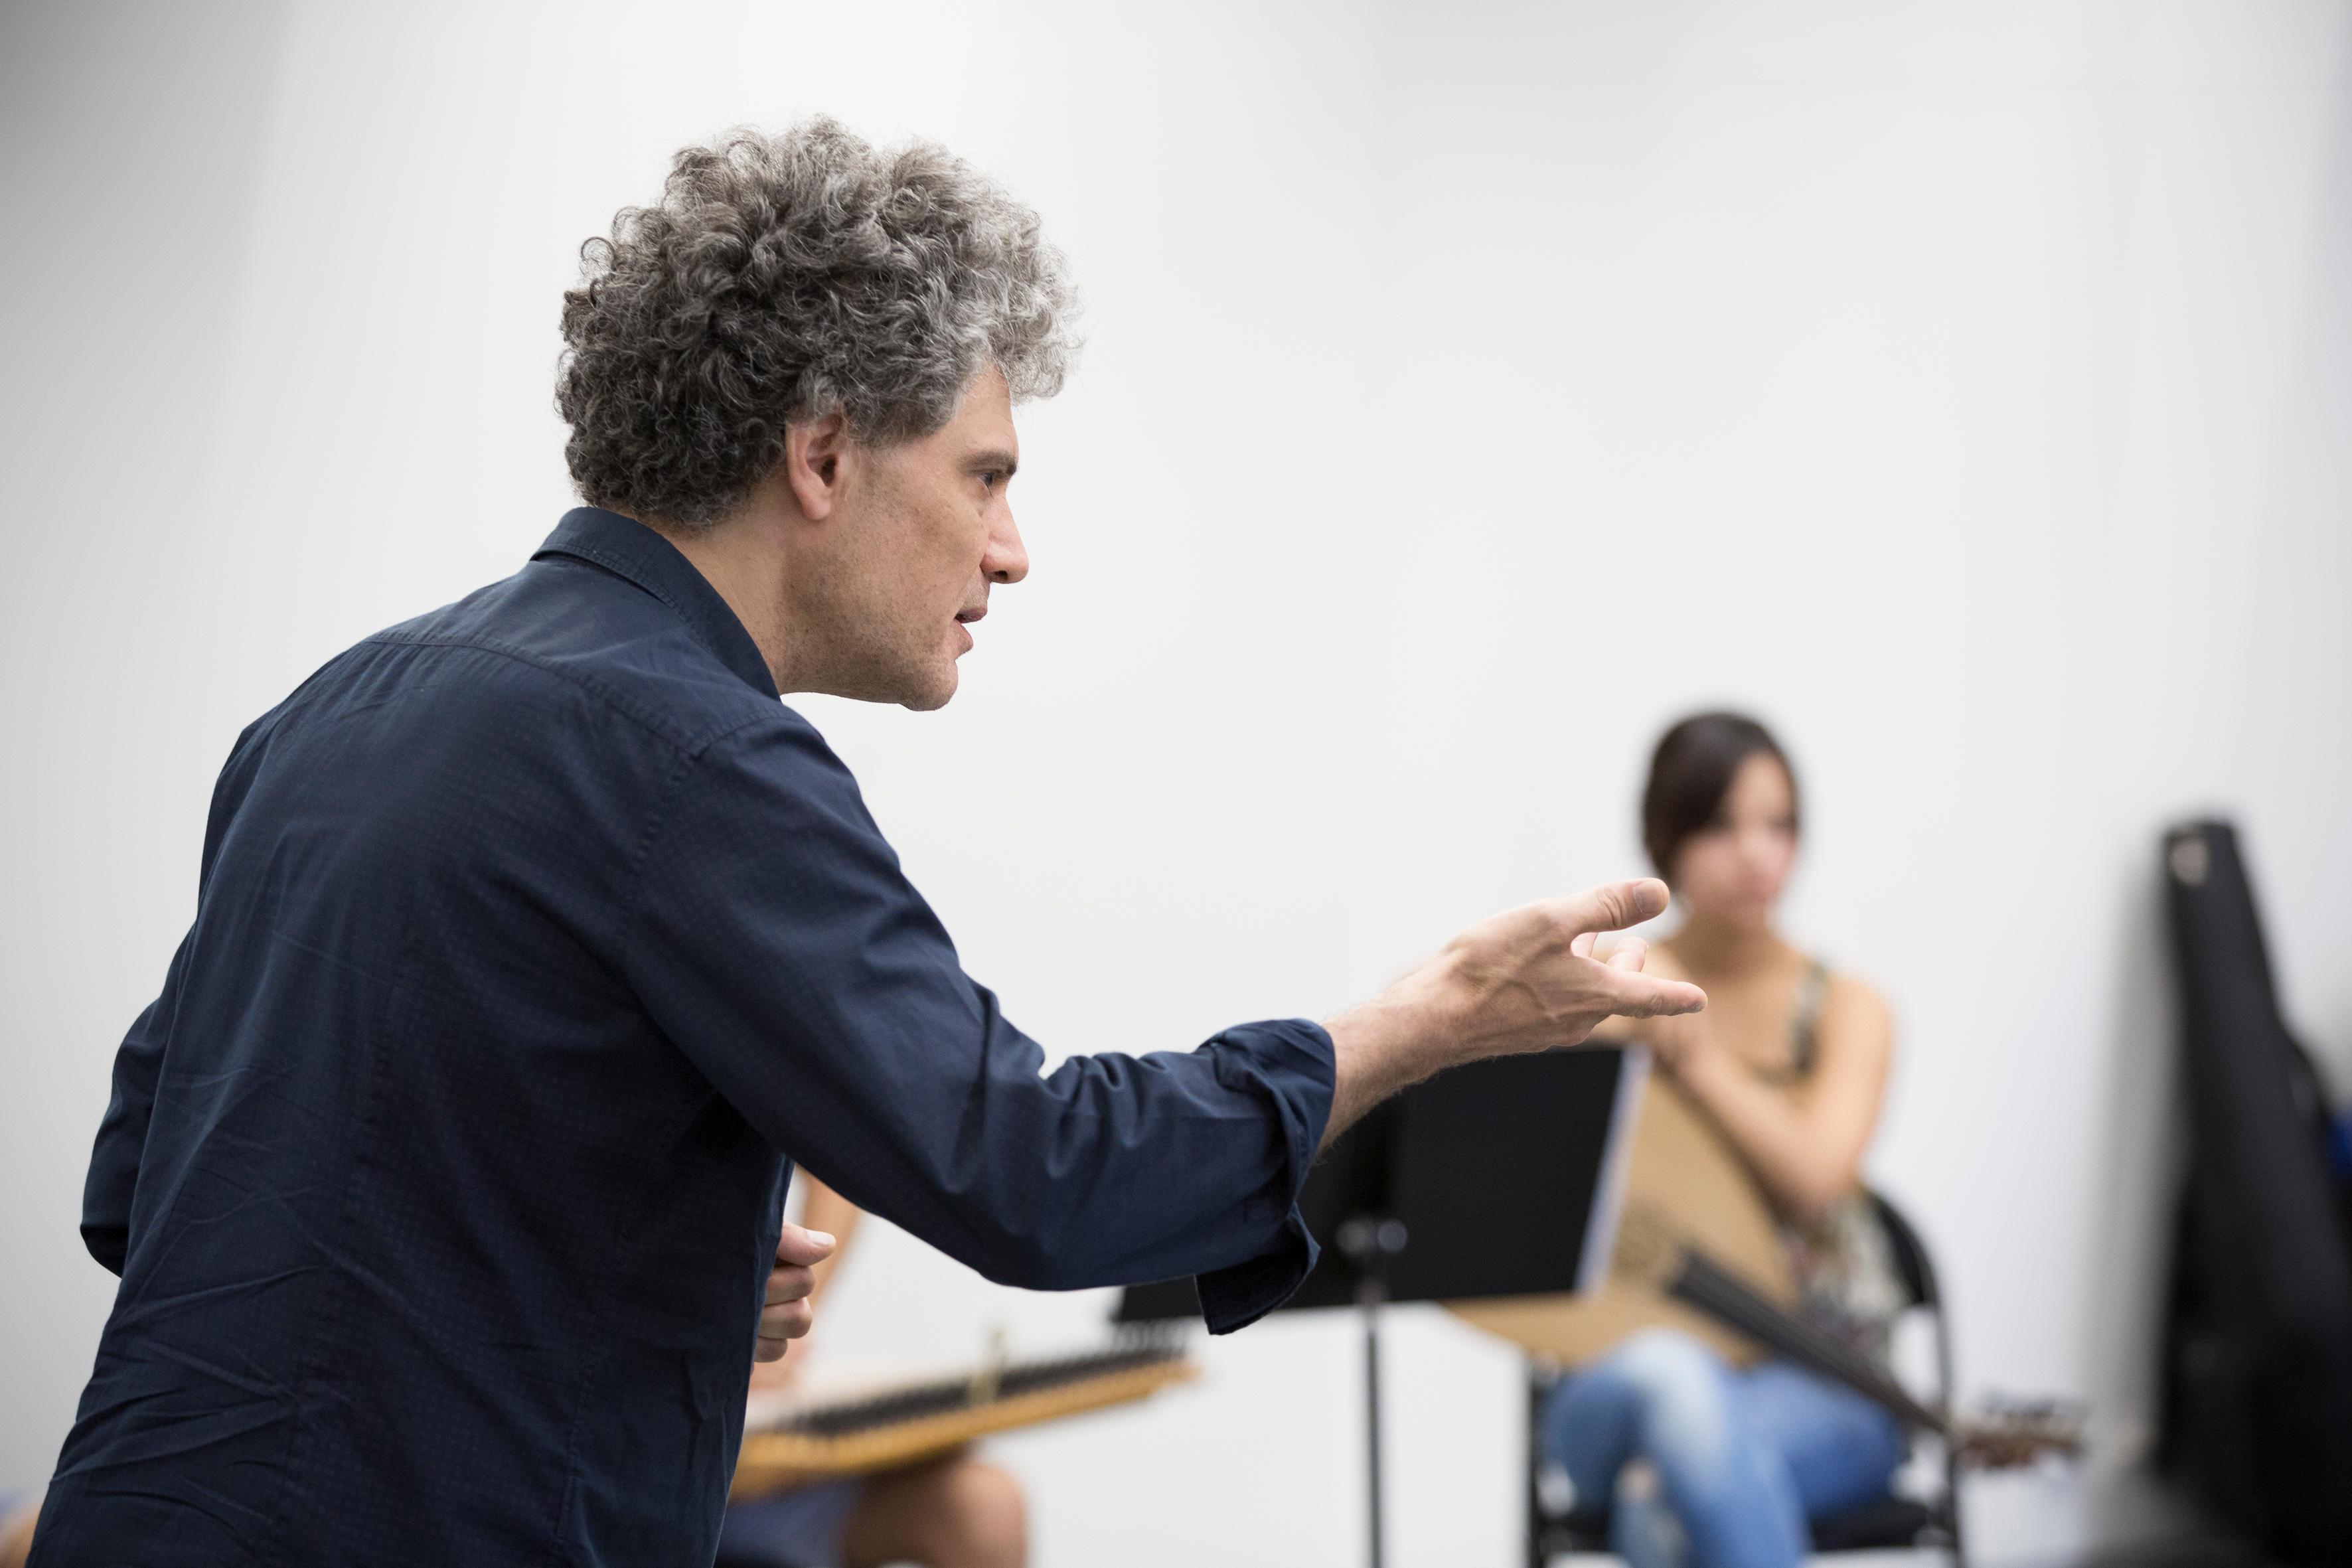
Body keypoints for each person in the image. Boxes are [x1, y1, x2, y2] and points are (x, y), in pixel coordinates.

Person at [28, 119, 1702, 1567]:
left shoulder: (328, 711)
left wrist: (614, 1259)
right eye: (984, 475)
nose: (1013, 546)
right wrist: (1416, 1024)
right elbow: (1038, 1175)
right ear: (823, 453)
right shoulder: (700, 759)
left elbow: (149, 1189)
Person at [1537, 712, 1907, 1568]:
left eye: (1779, 825)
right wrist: (1596, 1016)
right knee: (1671, 1371)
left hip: (1830, 1383)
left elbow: (1816, 1180)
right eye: (1720, 825)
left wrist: (1700, 1062)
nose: (1756, 854)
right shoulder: (1617, 984)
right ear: (1665, 839)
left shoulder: (1851, 1007)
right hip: (1616, 1381)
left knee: (1665, 1505)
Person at [718, 1174, 1026, 1568]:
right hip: (649, 1466)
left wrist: (787, 1330)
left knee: (984, 1504)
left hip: (758, 1448)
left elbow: (830, 1169)